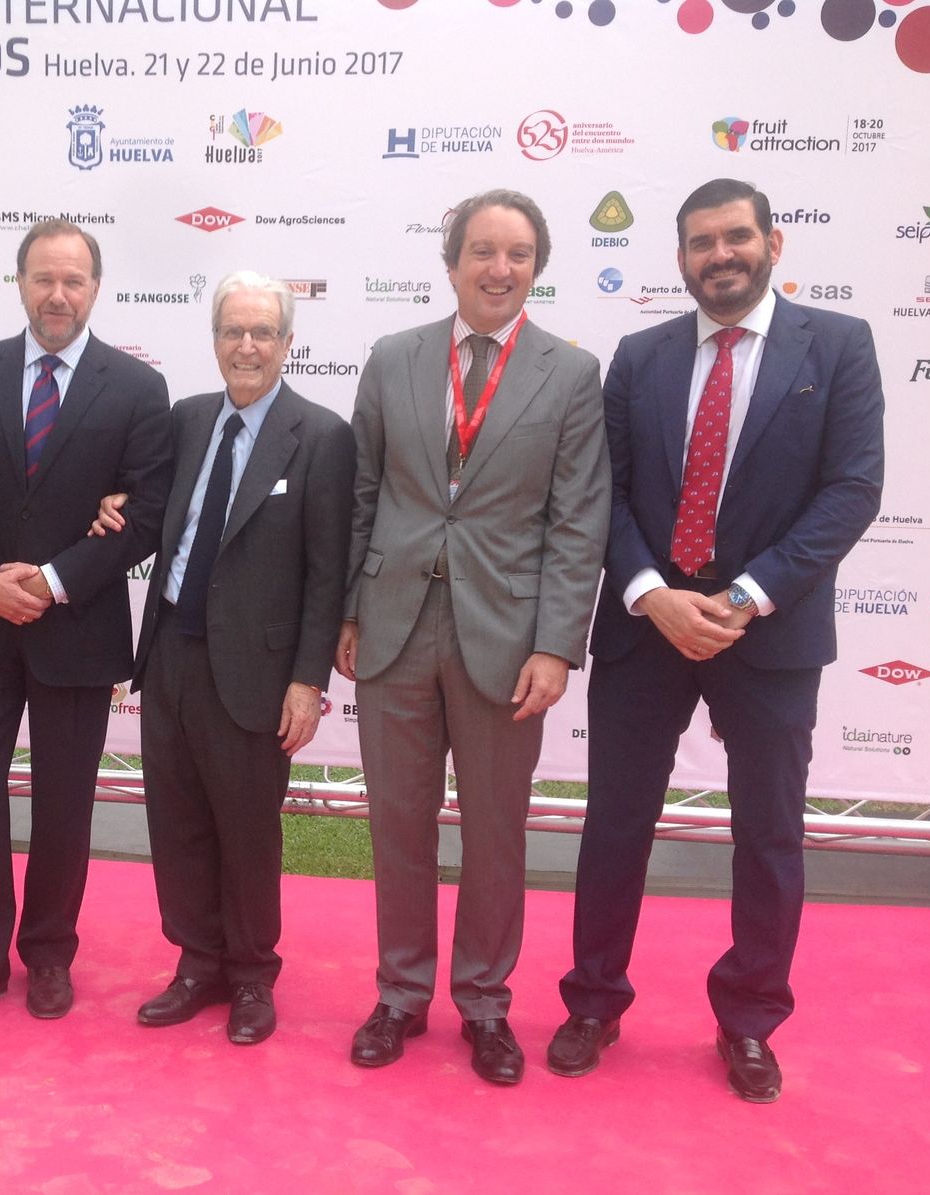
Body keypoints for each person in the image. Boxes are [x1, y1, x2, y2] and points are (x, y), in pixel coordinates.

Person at [550, 178, 885, 1103]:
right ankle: (592, 1000)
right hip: (647, 628)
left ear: (775, 243)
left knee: (769, 833)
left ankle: (748, 1019)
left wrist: (745, 595)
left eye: (737, 237)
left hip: (767, 632)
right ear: (682, 258)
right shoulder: (641, 354)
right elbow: (601, 493)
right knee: (616, 823)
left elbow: (853, 490)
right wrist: (652, 593)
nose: (720, 255)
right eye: (701, 243)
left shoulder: (840, 345)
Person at [336, 189, 610, 1085]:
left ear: (537, 265)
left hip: (507, 639)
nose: (501, 269)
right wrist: (344, 611)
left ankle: (487, 1003)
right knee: (398, 826)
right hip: (393, 630)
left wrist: (556, 643)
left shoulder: (569, 376)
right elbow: (362, 496)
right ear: (450, 263)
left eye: (520, 254)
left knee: (496, 831)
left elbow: (578, 522)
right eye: (484, 251)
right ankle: (401, 993)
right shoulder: (393, 358)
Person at [0, 219, 173, 1030]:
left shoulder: (137, 390)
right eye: (42, 278)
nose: (57, 294)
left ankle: (50, 954)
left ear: (96, 288)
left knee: (65, 803)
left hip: (79, 629)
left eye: (73, 280)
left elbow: (144, 515)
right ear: (20, 282)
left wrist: (58, 580)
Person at [92, 271, 354, 1045]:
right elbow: (148, 507)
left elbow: (326, 572)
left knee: (246, 828)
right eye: (232, 332)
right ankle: (197, 961)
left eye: (262, 333)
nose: (246, 346)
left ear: (286, 344)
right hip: (171, 650)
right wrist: (112, 505)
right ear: (213, 341)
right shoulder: (186, 419)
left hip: (258, 670)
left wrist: (308, 680)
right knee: (176, 820)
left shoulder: (323, 435)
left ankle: (251, 974)